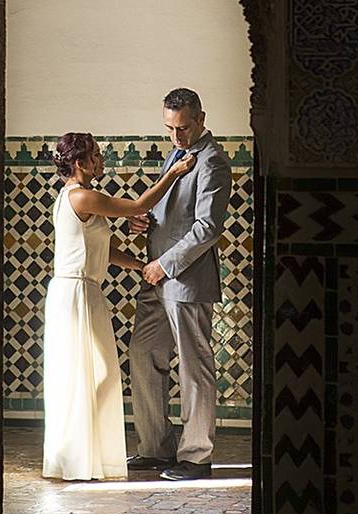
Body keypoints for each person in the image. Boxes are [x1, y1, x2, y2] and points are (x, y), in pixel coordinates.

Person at [42, 132, 196, 481]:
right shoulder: (82, 196)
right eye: (95, 155)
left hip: (85, 291)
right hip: (75, 293)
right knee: (88, 375)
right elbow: (139, 206)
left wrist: (139, 266)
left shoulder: (80, 200)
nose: (101, 160)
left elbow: (102, 250)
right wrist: (173, 174)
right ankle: (75, 460)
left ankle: (86, 457)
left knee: (96, 374)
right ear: (80, 163)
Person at [125, 88, 231, 481]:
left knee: (194, 366)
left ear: (201, 118)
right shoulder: (177, 154)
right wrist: (144, 220)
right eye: (170, 128)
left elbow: (207, 228)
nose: (177, 136)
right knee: (142, 355)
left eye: (184, 128)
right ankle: (155, 448)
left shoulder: (213, 162)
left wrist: (164, 265)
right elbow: (170, 211)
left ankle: (196, 456)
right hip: (156, 278)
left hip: (184, 280)